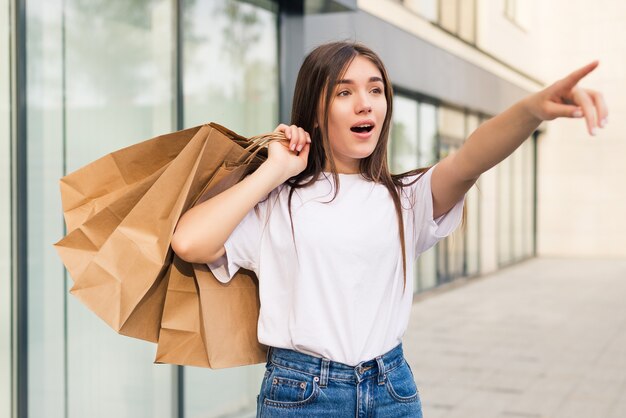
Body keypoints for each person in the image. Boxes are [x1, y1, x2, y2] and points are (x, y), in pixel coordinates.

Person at [171, 41, 607, 417]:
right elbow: (189, 241)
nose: (365, 103)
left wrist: (532, 109)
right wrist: (274, 171)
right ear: (316, 113)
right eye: (345, 92)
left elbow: (473, 157)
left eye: (375, 90)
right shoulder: (277, 203)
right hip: (302, 394)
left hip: (391, 388)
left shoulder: (408, 198)